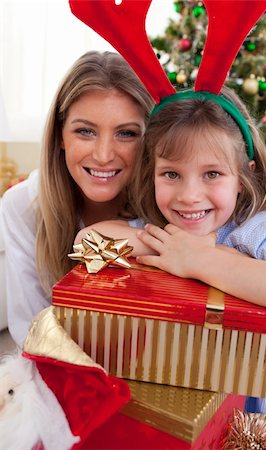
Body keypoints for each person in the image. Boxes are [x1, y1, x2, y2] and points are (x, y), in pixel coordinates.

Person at [76, 85, 266, 414]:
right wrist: (176, 249)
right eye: (171, 174)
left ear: (242, 176)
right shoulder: (167, 236)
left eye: (212, 173)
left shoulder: (264, 233)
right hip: (194, 416)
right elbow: (86, 243)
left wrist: (206, 261)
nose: (189, 195)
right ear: (151, 174)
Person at [1, 50, 153, 348]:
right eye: (85, 131)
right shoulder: (22, 205)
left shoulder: (170, 206)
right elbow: (31, 332)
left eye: (126, 134)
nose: (103, 155)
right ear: (60, 135)